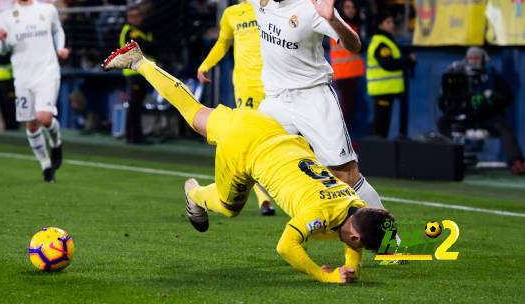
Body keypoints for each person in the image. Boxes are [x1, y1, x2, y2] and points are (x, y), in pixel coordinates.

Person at [102, 41, 395, 284]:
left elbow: (355, 228)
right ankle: (196, 194)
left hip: (265, 126)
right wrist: (325, 276)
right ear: (355, 237)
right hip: (244, 150)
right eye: (360, 246)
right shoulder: (317, 215)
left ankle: (140, 62)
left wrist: (353, 268)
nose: (357, 249)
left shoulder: (353, 202)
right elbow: (286, 247)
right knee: (230, 209)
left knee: (193, 112)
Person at [194, 0, 387, 218]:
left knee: (346, 175)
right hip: (275, 101)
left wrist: (334, 20)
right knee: (244, 160)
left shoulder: (313, 6)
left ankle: (390, 242)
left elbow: (354, 46)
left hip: (314, 97)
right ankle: (198, 197)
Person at [197, 0, 276, 217]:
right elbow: (222, 43)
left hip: (278, 85)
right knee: (253, 141)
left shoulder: (274, 9)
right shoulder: (232, 14)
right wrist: (205, 65)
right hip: (246, 87)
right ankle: (264, 199)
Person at [0, 0, 69, 183]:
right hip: (23, 76)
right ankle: (46, 166)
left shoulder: (47, 10)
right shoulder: (6, 17)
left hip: (47, 71)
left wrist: (61, 48)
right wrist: (1, 40)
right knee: (31, 124)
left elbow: (58, 30)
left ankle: (56, 143)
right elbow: (3, 50)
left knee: (45, 118)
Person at [437, 46, 524, 175]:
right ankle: (453, 158)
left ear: (483, 60)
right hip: (465, 116)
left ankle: (516, 162)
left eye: (476, 58)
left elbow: (507, 97)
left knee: (505, 127)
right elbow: (443, 101)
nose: (473, 61)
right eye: (470, 58)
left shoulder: (492, 75)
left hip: (486, 117)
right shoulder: (457, 75)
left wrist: (494, 96)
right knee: (442, 122)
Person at [366, 12, 416, 138]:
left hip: (386, 90)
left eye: (392, 22)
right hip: (383, 90)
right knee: (381, 126)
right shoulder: (381, 43)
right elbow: (388, 63)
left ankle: (376, 152)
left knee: (382, 124)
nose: (392, 25)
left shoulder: (386, 41)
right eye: (388, 22)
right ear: (380, 25)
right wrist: (408, 60)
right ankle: (375, 153)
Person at [119, 6, 155, 144]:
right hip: (135, 72)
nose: (137, 19)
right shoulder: (131, 32)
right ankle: (133, 136)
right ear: (129, 19)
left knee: (137, 105)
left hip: (143, 72)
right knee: (135, 105)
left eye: (138, 16)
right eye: (133, 16)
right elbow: (147, 46)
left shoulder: (141, 31)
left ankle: (134, 135)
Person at [329, 0, 365, 131]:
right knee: (346, 112)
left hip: (350, 74)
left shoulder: (351, 26)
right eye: (347, 7)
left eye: (353, 7)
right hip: (345, 74)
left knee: (348, 111)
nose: (351, 10)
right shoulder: (342, 26)